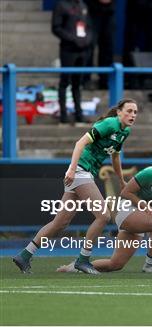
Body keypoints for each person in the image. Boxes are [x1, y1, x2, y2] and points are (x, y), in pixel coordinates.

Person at [13, 99, 138, 274]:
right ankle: (83, 259)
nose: (132, 115)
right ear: (118, 112)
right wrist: (72, 170)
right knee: (103, 216)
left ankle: (24, 255)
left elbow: (115, 157)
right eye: (129, 111)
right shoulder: (109, 123)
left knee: (60, 222)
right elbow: (80, 143)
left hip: (83, 173)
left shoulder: (125, 131)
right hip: (80, 171)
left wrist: (121, 179)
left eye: (135, 112)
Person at [57, 149, 152, 273]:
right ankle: (150, 265)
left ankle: (73, 267)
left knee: (115, 264)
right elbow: (125, 192)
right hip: (127, 212)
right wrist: (145, 206)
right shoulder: (149, 173)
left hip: (143, 218)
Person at [52, 0, 94, 124]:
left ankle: (78, 114)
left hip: (83, 50)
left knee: (78, 83)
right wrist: (73, 39)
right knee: (64, 82)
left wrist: (88, 40)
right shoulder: (61, 5)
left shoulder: (83, 5)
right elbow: (56, 28)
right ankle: (63, 114)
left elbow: (89, 26)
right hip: (68, 50)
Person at [84, 0, 115, 89]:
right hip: (91, 11)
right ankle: (86, 80)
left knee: (107, 48)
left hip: (109, 12)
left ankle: (104, 81)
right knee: (89, 47)